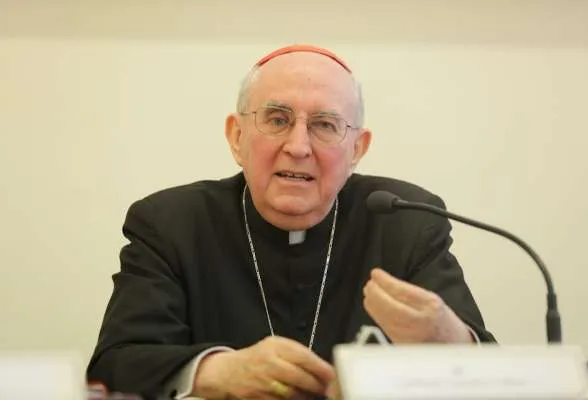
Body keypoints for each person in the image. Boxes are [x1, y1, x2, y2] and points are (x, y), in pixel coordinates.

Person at [87, 44, 495, 400]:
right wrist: (219, 371)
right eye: (278, 120)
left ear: (357, 149)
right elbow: (115, 365)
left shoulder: (407, 222)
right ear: (237, 137)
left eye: (324, 125)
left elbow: (497, 376)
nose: (298, 147)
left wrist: (452, 340)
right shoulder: (172, 224)